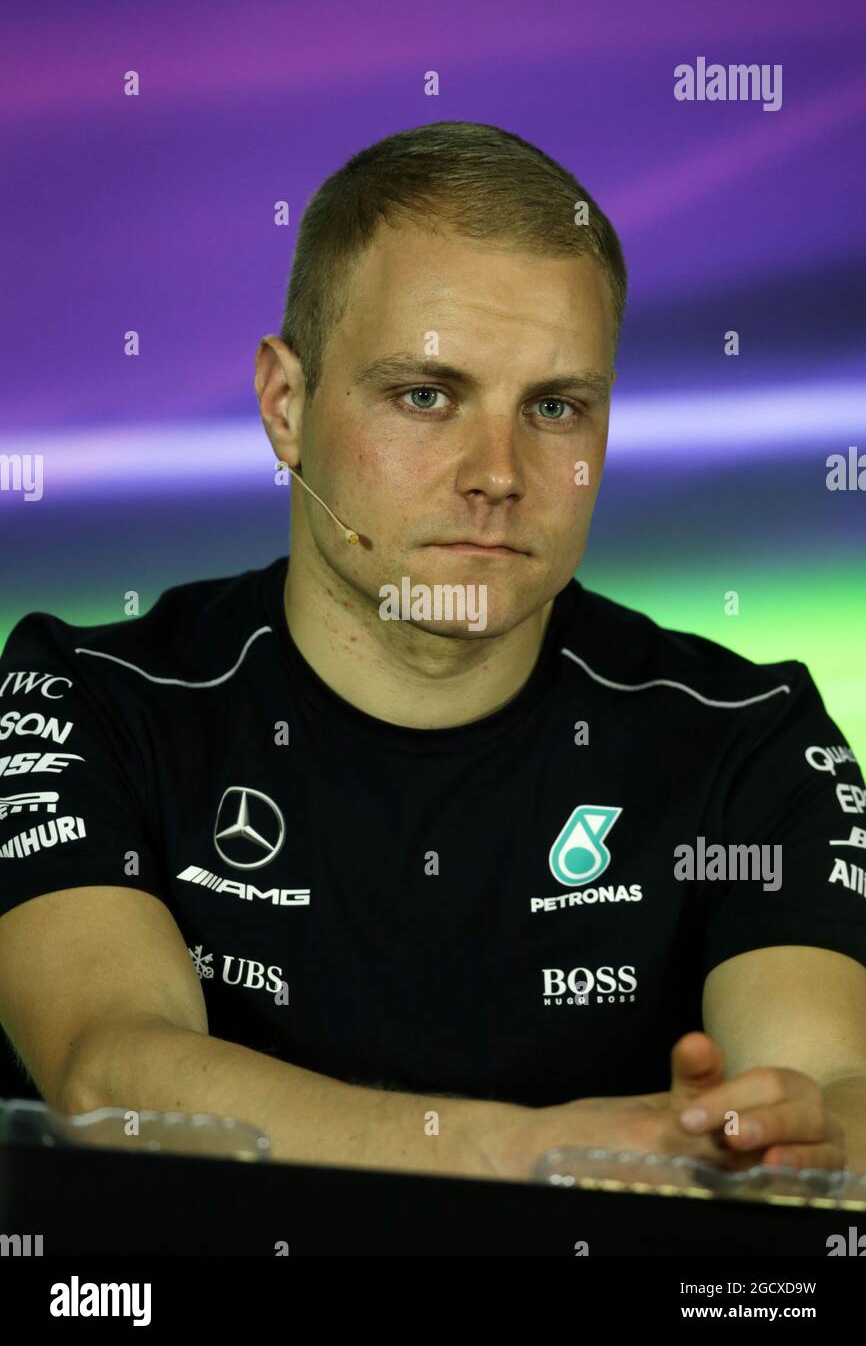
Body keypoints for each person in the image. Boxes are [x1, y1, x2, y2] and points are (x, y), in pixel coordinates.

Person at [1, 121, 864, 1182]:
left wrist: (785, 1142)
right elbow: (108, 1073)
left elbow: (832, 1090)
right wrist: (538, 1155)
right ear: (285, 406)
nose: (497, 471)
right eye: (426, 395)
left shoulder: (751, 740)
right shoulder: (85, 699)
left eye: (554, 407)